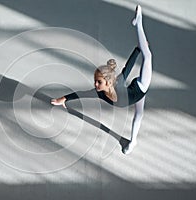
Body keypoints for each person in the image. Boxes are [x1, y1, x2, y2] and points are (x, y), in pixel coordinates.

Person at [51, 5, 152, 154]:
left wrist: (138, 49)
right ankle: (133, 141)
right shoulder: (99, 93)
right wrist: (64, 99)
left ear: (109, 82)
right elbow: (82, 93)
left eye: (99, 82)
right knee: (139, 115)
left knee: (147, 56)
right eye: (95, 81)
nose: (95, 84)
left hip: (141, 86)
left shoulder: (117, 84)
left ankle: (139, 22)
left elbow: (127, 68)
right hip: (135, 93)